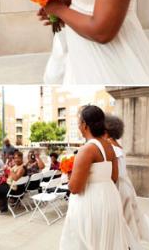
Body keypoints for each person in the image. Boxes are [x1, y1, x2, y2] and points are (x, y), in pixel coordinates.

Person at [60, 105, 131, 249]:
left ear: (85, 125)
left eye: (79, 123)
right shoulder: (109, 147)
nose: (78, 126)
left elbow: (75, 188)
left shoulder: (86, 150)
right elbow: (114, 177)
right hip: (109, 200)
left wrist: (70, 175)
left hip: (91, 204)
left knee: (88, 242)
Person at [105, 114, 149, 246]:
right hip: (126, 185)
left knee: (121, 221)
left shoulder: (110, 147)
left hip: (118, 186)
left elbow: (113, 174)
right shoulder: (118, 146)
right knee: (128, 219)